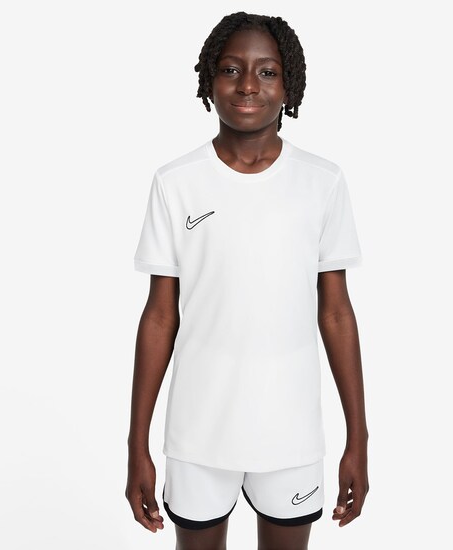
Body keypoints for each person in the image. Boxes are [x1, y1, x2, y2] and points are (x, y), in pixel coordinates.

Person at [125, 11, 369, 550]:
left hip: (291, 436)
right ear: (209, 79)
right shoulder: (176, 183)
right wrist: (136, 444)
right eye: (232, 69)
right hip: (197, 434)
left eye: (267, 72)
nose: (248, 86)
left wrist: (359, 437)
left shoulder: (322, 182)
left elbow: (336, 313)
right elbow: (160, 316)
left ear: (289, 84)